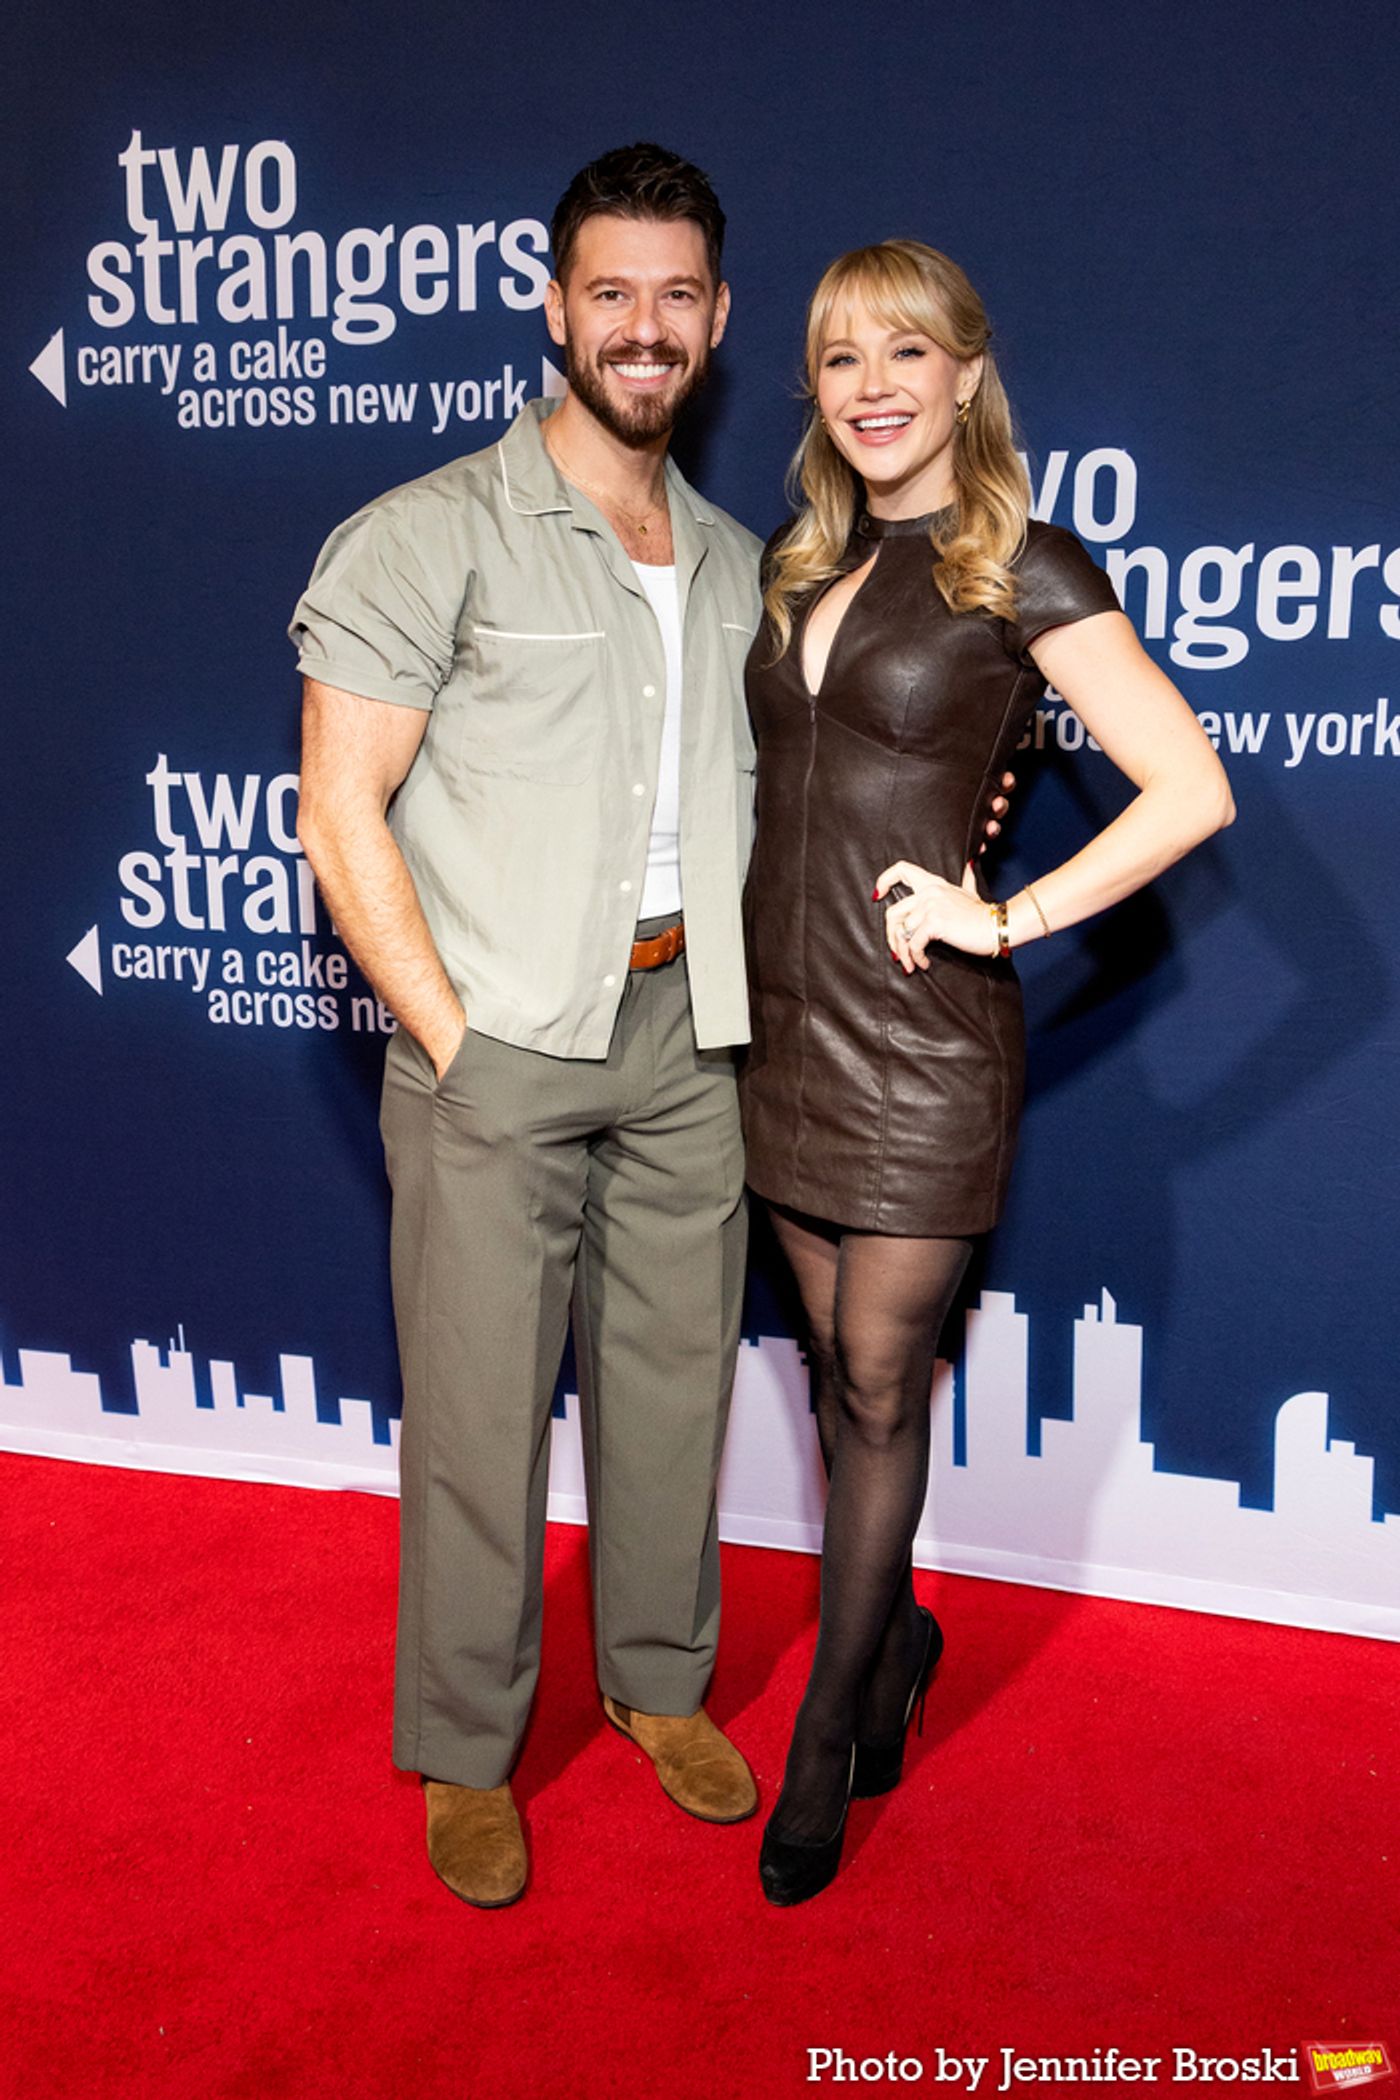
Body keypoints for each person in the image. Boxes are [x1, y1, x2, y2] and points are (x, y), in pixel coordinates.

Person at [289, 143, 767, 1909]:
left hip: (687, 1039)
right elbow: (343, 813)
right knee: (482, 1417)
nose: (643, 327)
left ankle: (658, 1686)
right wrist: (448, 1032)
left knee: (671, 1392)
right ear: (555, 304)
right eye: (611, 292)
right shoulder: (426, 533)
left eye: (678, 296)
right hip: (499, 1042)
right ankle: (466, 1751)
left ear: (716, 321)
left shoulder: (729, 559)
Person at [739, 239, 1235, 1905]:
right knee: (832, 1367)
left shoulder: (1021, 565)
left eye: (905, 354)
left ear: (965, 373)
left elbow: (1188, 789)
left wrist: (1004, 914)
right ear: (811, 388)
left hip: (920, 1044)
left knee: (882, 1384)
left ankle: (831, 1720)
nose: (872, 387)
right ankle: (896, 1643)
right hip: (781, 1028)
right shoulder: (792, 565)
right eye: (837, 358)